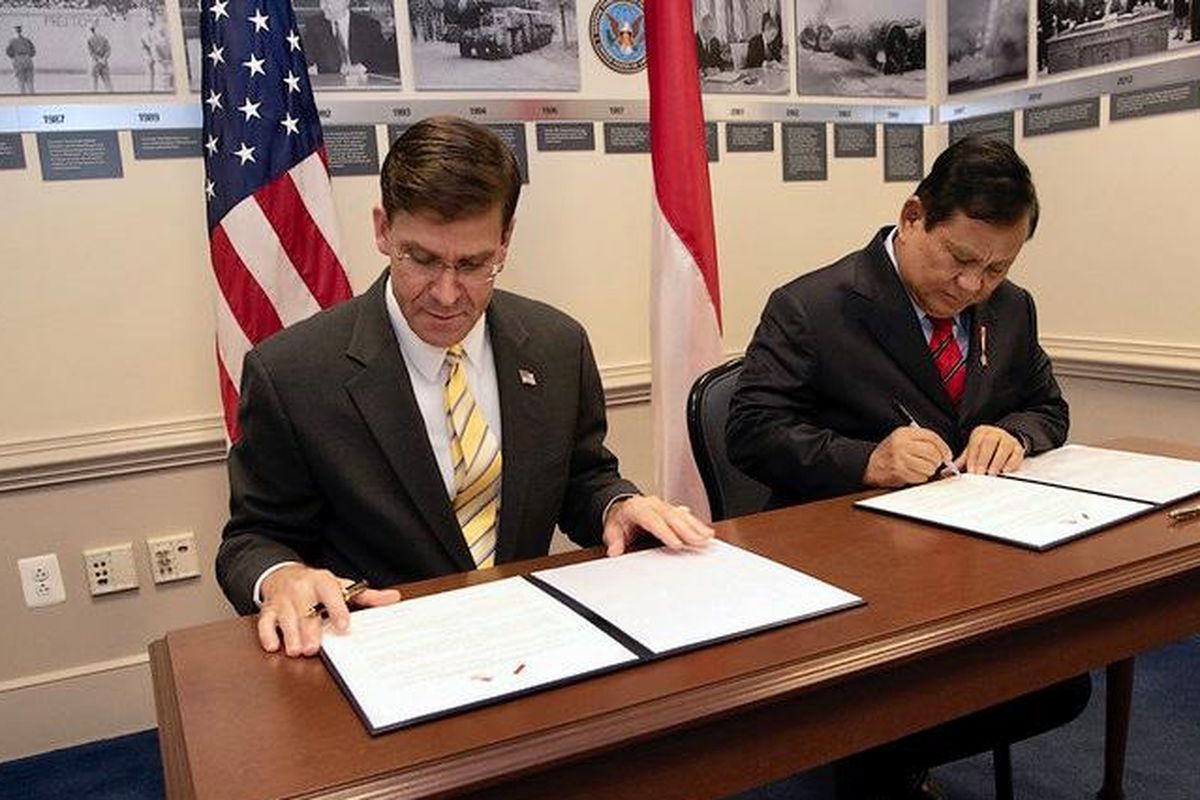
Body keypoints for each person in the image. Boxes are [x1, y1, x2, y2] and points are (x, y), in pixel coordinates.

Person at [216, 116, 714, 658]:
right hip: (381, 648)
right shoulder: (293, 372)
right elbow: (251, 538)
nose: (448, 294)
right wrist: (283, 576)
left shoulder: (556, 345)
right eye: (422, 260)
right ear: (383, 230)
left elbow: (581, 476)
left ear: (506, 239)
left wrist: (616, 505)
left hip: (530, 639)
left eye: (475, 264)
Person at [727, 137, 1089, 798]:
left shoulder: (1012, 310)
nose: (973, 286)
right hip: (852, 571)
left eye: (997, 269)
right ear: (913, 216)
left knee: (1062, 682)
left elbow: (1048, 407)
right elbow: (751, 432)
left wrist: (1013, 433)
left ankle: (880, 750)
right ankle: (872, 753)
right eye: (959, 259)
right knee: (883, 704)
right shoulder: (813, 306)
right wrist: (866, 459)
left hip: (973, 562)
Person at [304, 0, 399, 78]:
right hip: (331, 86)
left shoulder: (369, 26)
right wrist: (336, 68)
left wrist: (362, 68)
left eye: (327, 2)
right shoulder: (314, 25)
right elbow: (307, 60)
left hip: (365, 86)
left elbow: (384, 59)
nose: (322, 6)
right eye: (321, 1)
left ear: (346, 2)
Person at [6, 25, 35, 95]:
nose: (18, 31)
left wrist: (29, 55)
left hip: (26, 57)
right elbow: (8, 51)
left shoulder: (27, 40)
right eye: (17, 29)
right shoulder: (12, 41)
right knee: (20, 78)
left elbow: (33, 49)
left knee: (29, 78)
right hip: (18, 57)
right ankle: (23, 94)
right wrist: (15, 57)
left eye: (19, 29)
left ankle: (32, 94)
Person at [87, 26, 113, 92]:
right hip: (104, 63)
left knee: (94, 84)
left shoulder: (90, 40)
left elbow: (91, 53)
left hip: (95, 63)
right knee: (107, 83)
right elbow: (108, 50)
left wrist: (98, 59)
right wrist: (104, 59)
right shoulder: (104, 39)